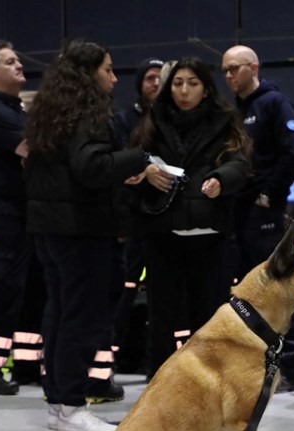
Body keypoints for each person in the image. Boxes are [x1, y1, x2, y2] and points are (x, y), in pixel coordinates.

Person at [25, 39, 151, 431]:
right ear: (88, 73)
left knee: (61, 314)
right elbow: (91, 167)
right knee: (83, 317)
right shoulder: (88, 113)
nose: (114, 78)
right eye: (107, 69)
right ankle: (72, 407)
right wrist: (140, 158)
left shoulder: (51, 112)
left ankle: (60, 403)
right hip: (82, 231)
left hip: (51, 229)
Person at [131, 57, 251, 376]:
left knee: (209, 317)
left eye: (193, 83)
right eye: (178, 83)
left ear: (206, 88)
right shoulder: (153, 119)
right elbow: (134, 157)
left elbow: (240, 164)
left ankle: (207, 383)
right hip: (163, 231)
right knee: (161, 316)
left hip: (209, 233)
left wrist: (221, 179)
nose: (184, 91)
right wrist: (145, 170)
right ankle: (159, 382)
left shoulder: (225, 120)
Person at [220, 44, 294, 392]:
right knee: (245, 291)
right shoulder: (233, 111)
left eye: (234, 68)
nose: (229, 76)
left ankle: (289, 370)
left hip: (265, 210)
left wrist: (269, 194)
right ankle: (255, 365)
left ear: (253, 67)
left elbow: (291, 153)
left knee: (277, 286)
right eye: (225, 70)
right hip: (237, 211)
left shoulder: (274, 103)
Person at [0, 39, 46, 395]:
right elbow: (35, 151)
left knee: (32, 288)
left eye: (18, 60)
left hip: (27, 212)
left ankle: (28, 365)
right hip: (8, 214)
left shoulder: (16, 112)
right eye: (9, 61)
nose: (19, 65)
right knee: (5, 288)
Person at [107, 57, 164, 379]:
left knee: (163, 293)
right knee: (124, 290)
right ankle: (111, 358)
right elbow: (117, 164)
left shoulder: (173, 119)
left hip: (165, 218)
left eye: (160, 77)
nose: (155, 83)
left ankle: (159, 361)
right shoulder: (124, 120)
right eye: (149, 78)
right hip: (132, 218)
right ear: (140, 84)